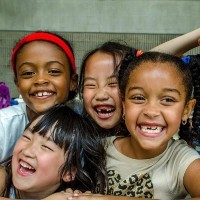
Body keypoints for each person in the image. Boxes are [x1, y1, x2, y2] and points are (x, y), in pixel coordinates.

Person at [69, 52, 200, 200]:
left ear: (186, 110)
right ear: (124, 105)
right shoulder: (97, 149)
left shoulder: (181, 160)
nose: (151, 111)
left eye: (168, 100)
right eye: (138, 97)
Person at [78, 28, 200, 137]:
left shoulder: (147, 132)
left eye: (113, 84)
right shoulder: (75, 125)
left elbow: (150, 62)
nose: (101, 95)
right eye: (91, 85)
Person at [0, 31, 78, 161]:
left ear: (72, 82)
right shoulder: (4, 125)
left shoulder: (85, 118)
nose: (40, 80)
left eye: (54, 71)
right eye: (28, 73)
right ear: (17, 84)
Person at [0, 104, 106, 199]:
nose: (28, 151)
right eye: (27, 137)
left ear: (68, 172)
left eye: (46, 147)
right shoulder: (4, 177)